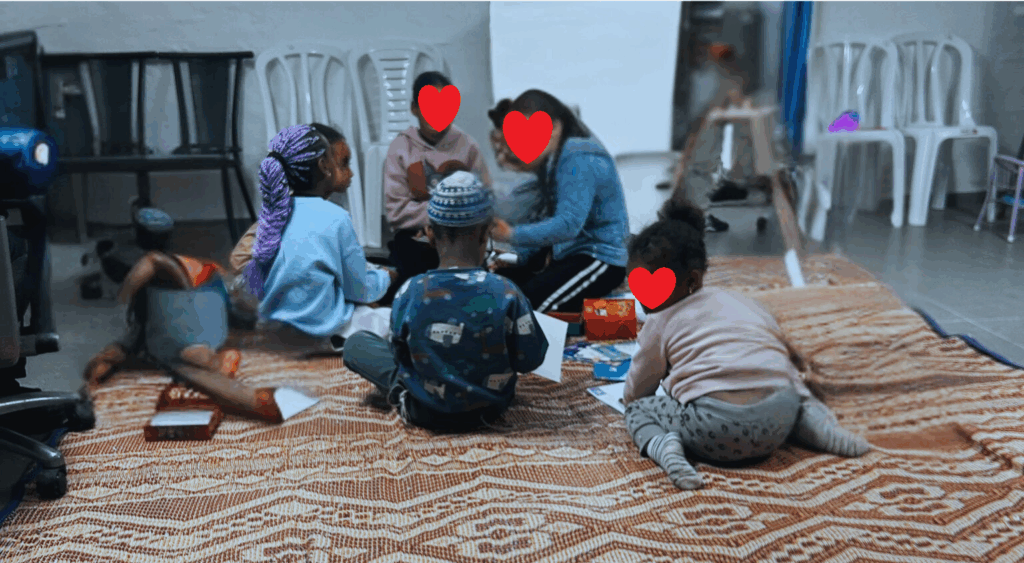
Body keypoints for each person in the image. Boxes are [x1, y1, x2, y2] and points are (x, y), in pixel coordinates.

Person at [621, 195, 871, 490]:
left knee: (637, 412)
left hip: (715, 432)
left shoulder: (658, 322)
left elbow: (638, 390)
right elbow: (782, 353)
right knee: (790, 388)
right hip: (781, 416)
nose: (643, 300)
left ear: (692, 280)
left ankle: (664, 447)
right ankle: (819, 427)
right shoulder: (744, 302)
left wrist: (635, 397)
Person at [344, 171, 548, 432]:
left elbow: (399, 355)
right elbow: (531, 359)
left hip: (424, 411)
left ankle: (404, 393)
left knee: (356, 344)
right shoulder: (507, 292)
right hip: (491, 408)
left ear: (429, 233)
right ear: (487, 233)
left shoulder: (410, 291)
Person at [240, 124, 396, 351]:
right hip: (319, 331)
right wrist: (387, 277)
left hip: (271, 327)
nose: (350, 172)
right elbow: (358, 291)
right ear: (324, 166)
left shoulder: (272, 216)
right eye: (343, 164)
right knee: (389, 318)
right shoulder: (337, 218)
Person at [487, 89, 629, 313]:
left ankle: (612, 317)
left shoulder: (578, 158)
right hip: (567, 253)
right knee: (501, 286)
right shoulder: (554, 159)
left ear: (553, 127)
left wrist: (511, 235)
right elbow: (545, 218)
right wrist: (517, 258)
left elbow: (568, 225)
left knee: (531, 308)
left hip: (599, 257)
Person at [384, 71, 493, 290]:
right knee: (413, 276)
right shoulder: (400, 147)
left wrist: (449, 221)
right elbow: (396, 211)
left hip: (462, 233)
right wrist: (435, 220)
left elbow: (485, 199)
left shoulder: (467, 146)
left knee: (477, 280)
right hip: (416, 235)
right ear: (414, 108)